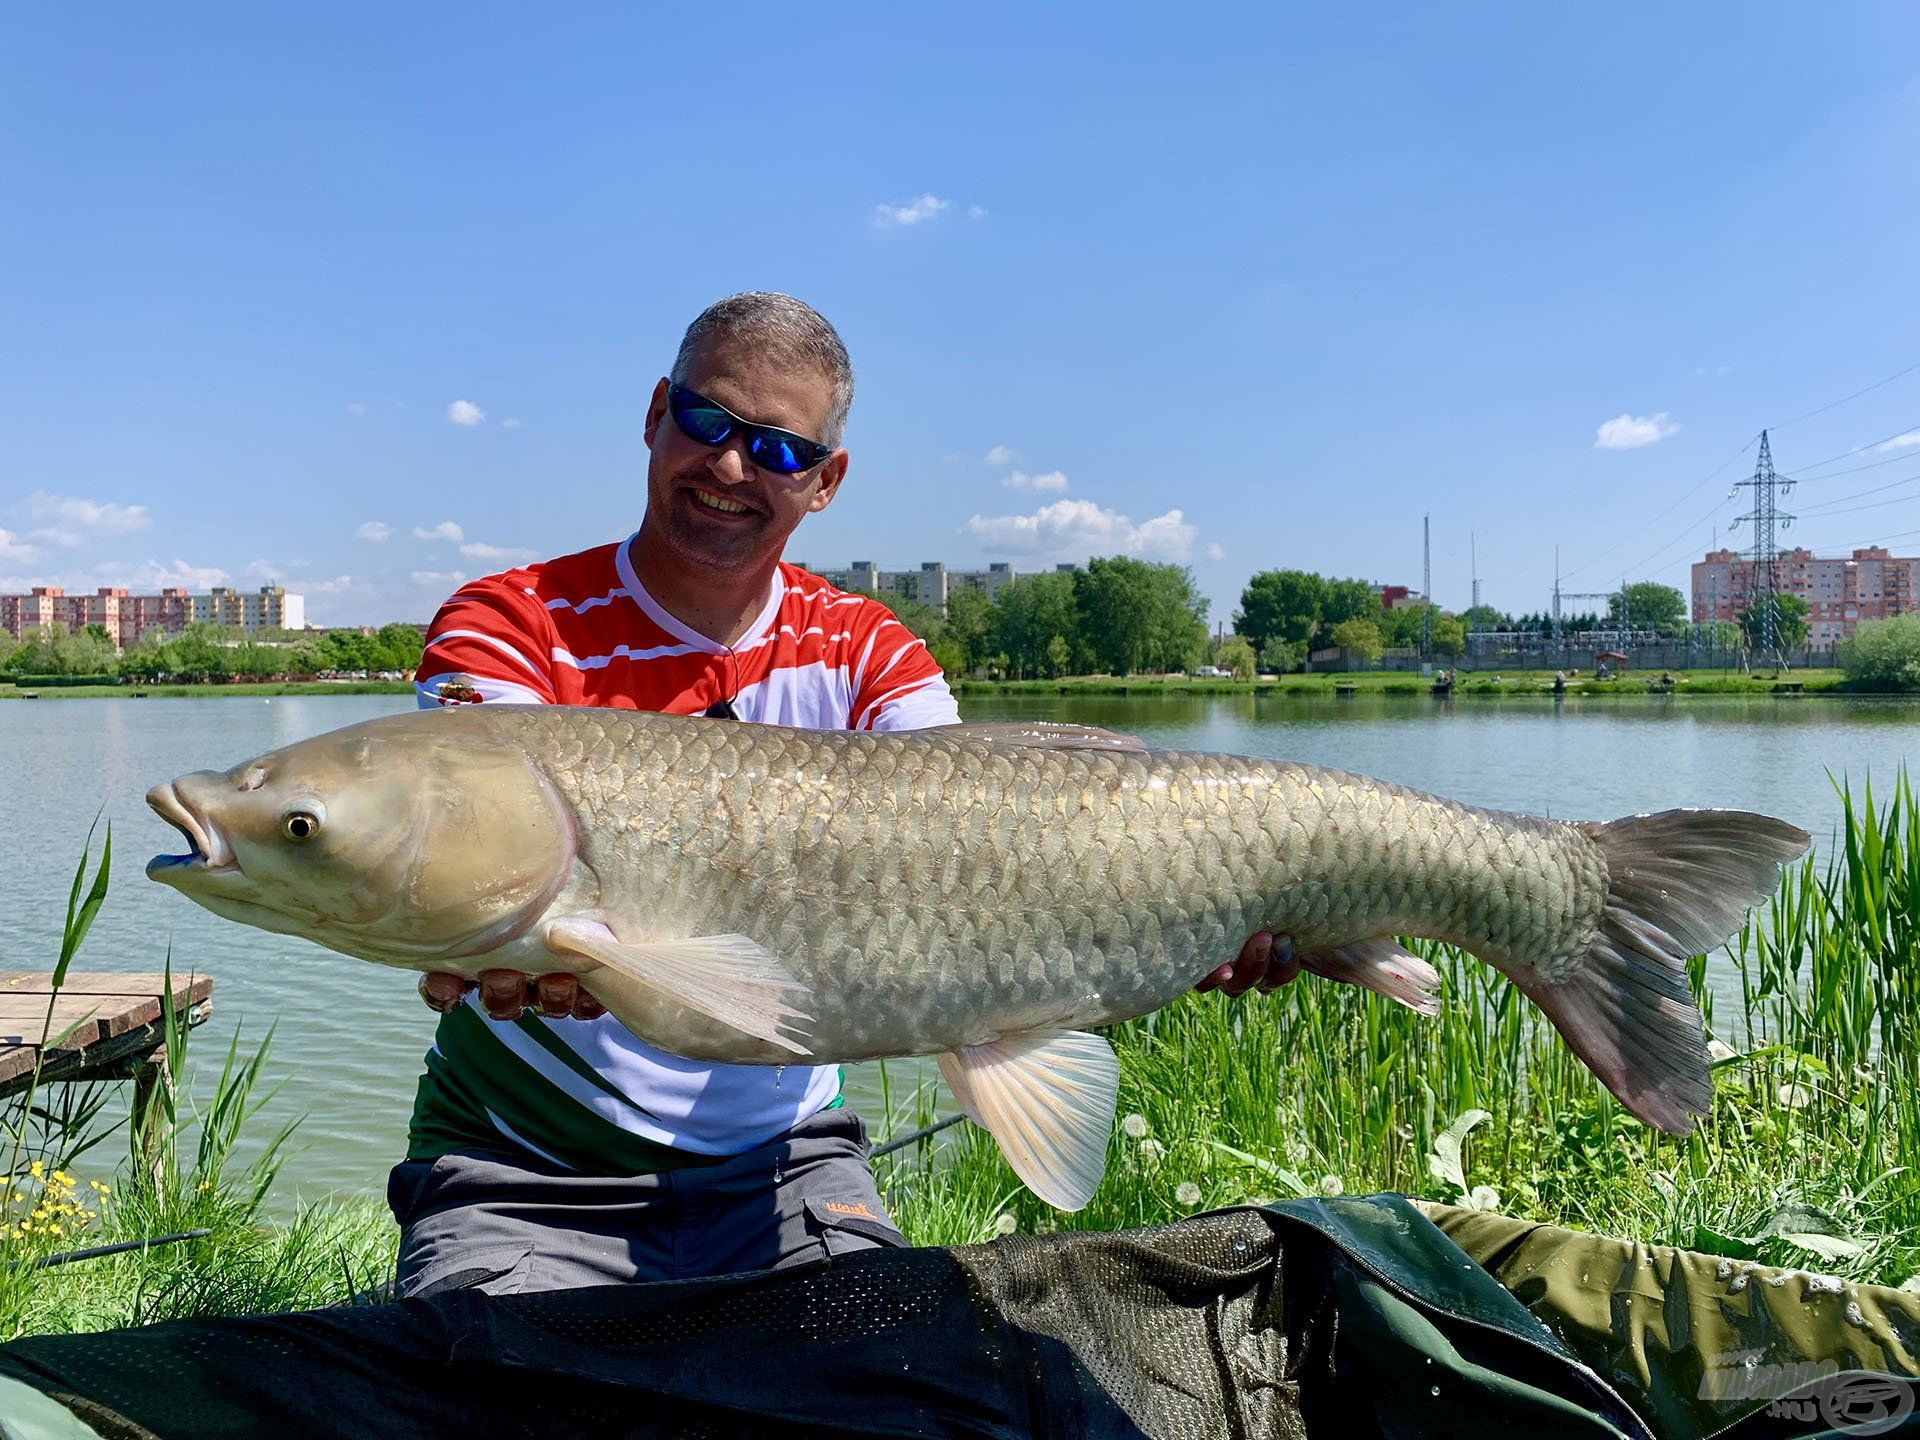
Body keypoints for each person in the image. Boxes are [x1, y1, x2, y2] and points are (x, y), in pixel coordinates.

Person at [390, 292, 1297, 1298]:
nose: (731, 468)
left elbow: (986, 862)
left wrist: (1198, 908)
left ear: (826, 481)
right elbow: (457, 853)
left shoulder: (871, 654)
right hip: (526, 1169)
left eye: (779, 450)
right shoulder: (511, 624)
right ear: (655, 414)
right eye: (707, 423)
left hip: (790, 1164)